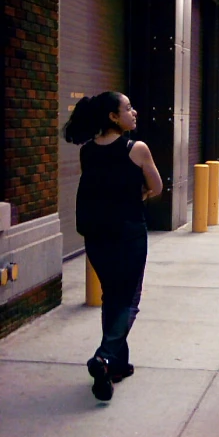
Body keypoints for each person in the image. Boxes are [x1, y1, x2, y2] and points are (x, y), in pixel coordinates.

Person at [64, 91, 163, 401]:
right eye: (128, 108)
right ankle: (104, 358)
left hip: (96, 235)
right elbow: (157, 186)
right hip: (129, 233)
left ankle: (117, 364)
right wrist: (141, 195)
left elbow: (96, 187)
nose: (134, 112)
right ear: (113, 116)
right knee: (129, 299)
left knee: (113, 296)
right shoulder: (137, 149)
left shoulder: (88, 151)